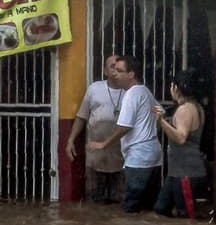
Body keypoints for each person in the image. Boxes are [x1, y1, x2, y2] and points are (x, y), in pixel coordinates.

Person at [88, 55, 161, 213]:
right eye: (113, 70)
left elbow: (124, 127)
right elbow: (160, 113)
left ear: (131, 74)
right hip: (153, 154)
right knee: (148, 205)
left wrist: (103, 144)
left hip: (138, 157)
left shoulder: (131, 94)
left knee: (131, 207)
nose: (115, 74)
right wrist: (148, 132)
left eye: (120, 71)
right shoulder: (145, 91)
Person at [65, 53, 124, 203]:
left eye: (119, 67)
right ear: (105, 71)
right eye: (112, 67)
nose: (116, 70)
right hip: (95, 158)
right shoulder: (94, 89)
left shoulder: (132, 91)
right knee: (94, 206)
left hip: (122, 160)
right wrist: (71, 140)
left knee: (119, 206)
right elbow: (81, 117)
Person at [152, 70, 207, 219]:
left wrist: (161, 121)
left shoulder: (185, 110)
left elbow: (181, 138)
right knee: (161, 208)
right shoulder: (195, 106)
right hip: (178, 172)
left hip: (186, 172)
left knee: (186, 216)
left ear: (176, 88)